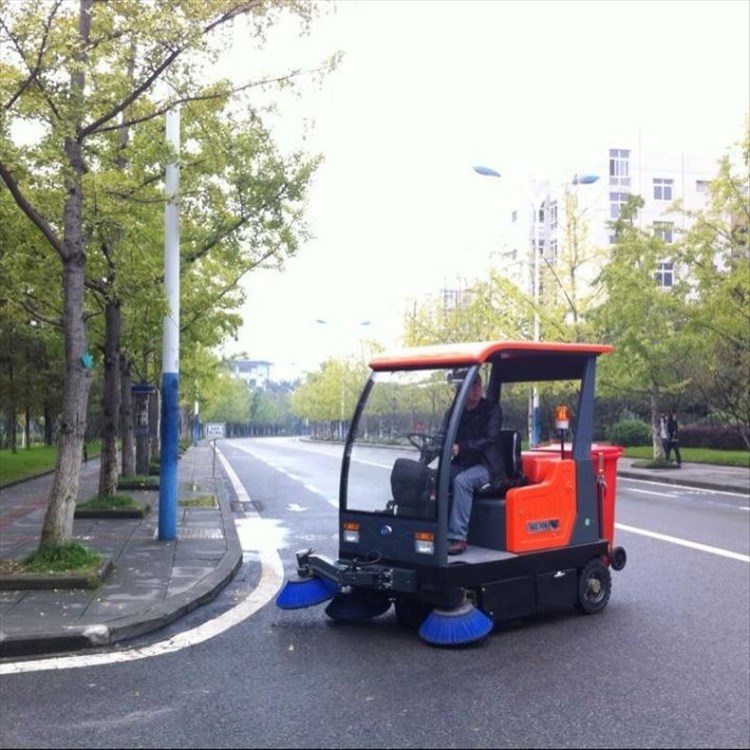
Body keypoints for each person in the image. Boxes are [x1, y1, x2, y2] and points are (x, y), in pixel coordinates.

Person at [438, 372, 505, 556]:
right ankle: (432, 529)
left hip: (487, 467)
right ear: (461, 388)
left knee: (462, 481)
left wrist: (462, 448)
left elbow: (490, 439)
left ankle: (458, 538)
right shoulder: (454, 412)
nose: (476, 389)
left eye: (478, 384)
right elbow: (442, 435)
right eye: (471, 385)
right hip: (463, 463)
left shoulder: (491, 410)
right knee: (434, 477)